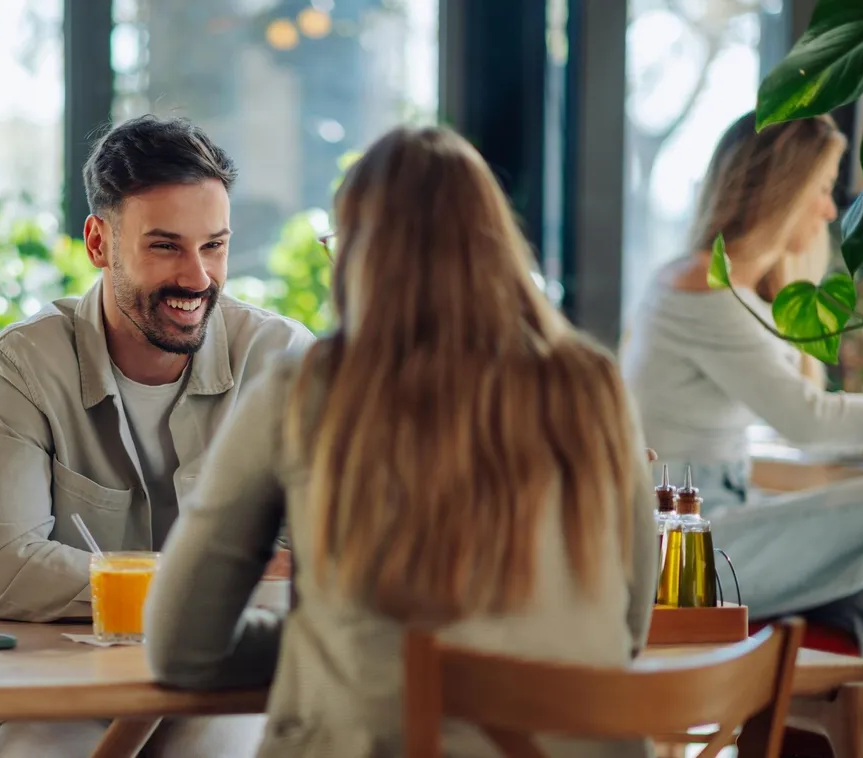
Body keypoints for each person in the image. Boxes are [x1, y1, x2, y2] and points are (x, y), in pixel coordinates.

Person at [144, 126, 657, 757]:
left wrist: (334, 643)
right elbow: (628, 629)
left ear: (360, 257)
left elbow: (181, 646)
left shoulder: (307, 390)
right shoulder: (595, 386)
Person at [0, 115, 313, 757]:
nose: (198, 277)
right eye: (166, 246)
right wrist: (203, 581)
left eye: (215, 246)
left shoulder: (280, 358)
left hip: (219, 683)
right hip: (56, 685)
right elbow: (7, 575)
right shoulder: (23, 365)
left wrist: (115, 581)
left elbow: (298, 571)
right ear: (99, 241)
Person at [621, 111, 863, 657]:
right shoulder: (705, 294)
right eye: (824, 189)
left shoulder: (696, 280)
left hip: (701, 526)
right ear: (785, 190)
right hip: (690, 546)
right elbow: (810, 421)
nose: (831, 210)